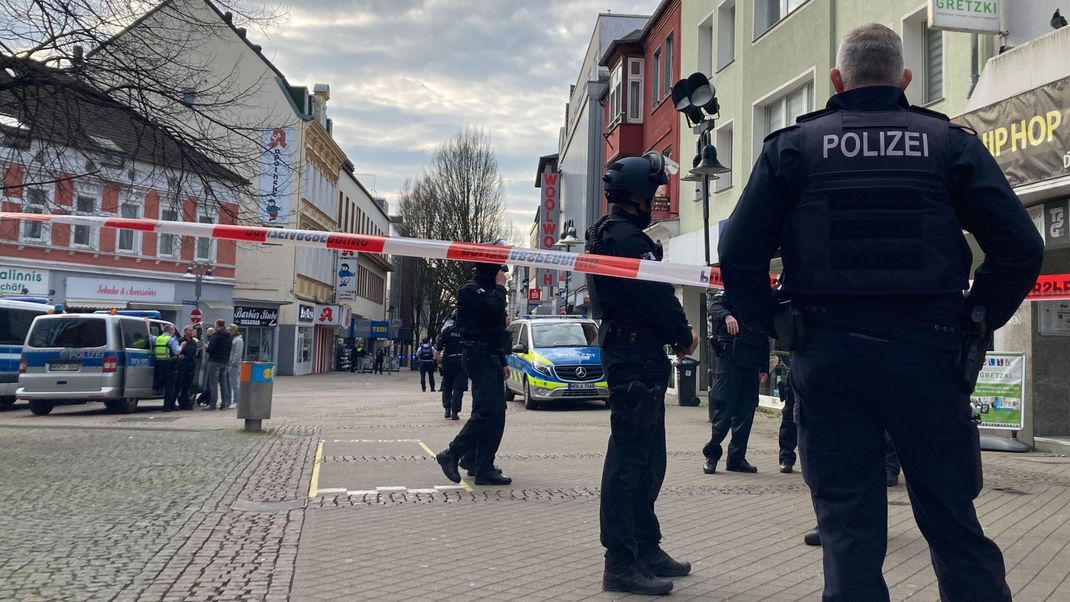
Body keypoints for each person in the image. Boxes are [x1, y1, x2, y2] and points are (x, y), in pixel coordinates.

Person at [718, 24, 1044, 600]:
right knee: (952, 524)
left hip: (829, 358)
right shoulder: (949, 145)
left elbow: (738, 253)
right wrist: (976, 316)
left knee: (847, 532)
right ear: (906, 79)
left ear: (838, 80)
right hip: (929, 358)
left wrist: (776, 324)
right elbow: (1020, 246)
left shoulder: (793, 149)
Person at [585, 153, 699, 596]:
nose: (656, 199)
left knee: (648, 460)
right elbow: (655, 296)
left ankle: (646, 547)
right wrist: (683, 332)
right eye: (652, 192)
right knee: (631, 464)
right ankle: (621, 562)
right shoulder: (631, 241)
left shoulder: (606, 234)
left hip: (633, 355)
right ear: (638, 195)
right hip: (635, 358)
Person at [435, 248, 513, 488]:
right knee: (487, 412)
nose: (503, 273)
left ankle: (478, 462)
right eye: (501, 268)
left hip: (489, 354)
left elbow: (497, 329)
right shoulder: (470, 290)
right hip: (477, 353)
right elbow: (492, 310)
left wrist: (502, 360)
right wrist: (500, 288)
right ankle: (453, 453)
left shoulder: (491, 291)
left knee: (496, 413)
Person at [702, 291, 769, 475]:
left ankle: (736, 458)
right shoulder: (730, 290)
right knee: (724, 409)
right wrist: (727, 316)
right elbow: (713, 306)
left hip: (752, 358)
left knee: (746, 412)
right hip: (730, 356)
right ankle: (712, 455)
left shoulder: (760, 296)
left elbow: (764, 332)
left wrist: (763, 366)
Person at [435, 311, 467, 420]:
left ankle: (447, 409)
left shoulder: (447, 331)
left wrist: (437, 360)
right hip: (461, 362)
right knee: (459, 388)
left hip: (448, 361)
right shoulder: (466, 332)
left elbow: (439, 346)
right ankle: (455, 411)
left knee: (447, 386)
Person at [205, 319, 232, 411]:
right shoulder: (229, 336)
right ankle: (224, 403)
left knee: (213, 383)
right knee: (223, 383)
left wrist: (206, 346)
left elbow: (210, 349)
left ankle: (212, 404)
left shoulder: (215, 336)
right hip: (225, 361)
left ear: (216, 325)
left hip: (215, 361)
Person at [153, 324, 181, 412]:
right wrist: (182, 346)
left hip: (158, 363)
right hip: (169, 364)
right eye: (173, 330)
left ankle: (156, 390)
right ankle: (167, 406)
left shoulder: (156, 338)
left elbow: (149, 337)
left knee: (160, 381)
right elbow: (177, 352)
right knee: (169, 386)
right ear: (170, 330)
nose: (174, 332)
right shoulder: (171, 339)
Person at [176, 325, 199, 411]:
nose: (191, 332)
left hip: (191, 366)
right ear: (185, 332)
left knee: (188, 386)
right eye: (189, 331)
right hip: (182, 366)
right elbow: (177, 351)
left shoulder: (193, 341)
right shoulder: (181, 341)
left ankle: (186, 404)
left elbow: (194, 352)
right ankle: (180, 403)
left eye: (192, 330)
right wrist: (180, 356)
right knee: (180, 385)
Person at [227, 324, 243, 410]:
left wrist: (233, 363)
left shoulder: (238, 340)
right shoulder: (234, 339)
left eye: (230, 330)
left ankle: (236, 401)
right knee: (231, 384)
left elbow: (237, 353)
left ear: (234, 330)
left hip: (234, 365)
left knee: (234, 384)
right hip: (231, 364)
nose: (228, 332)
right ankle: (231, 401)